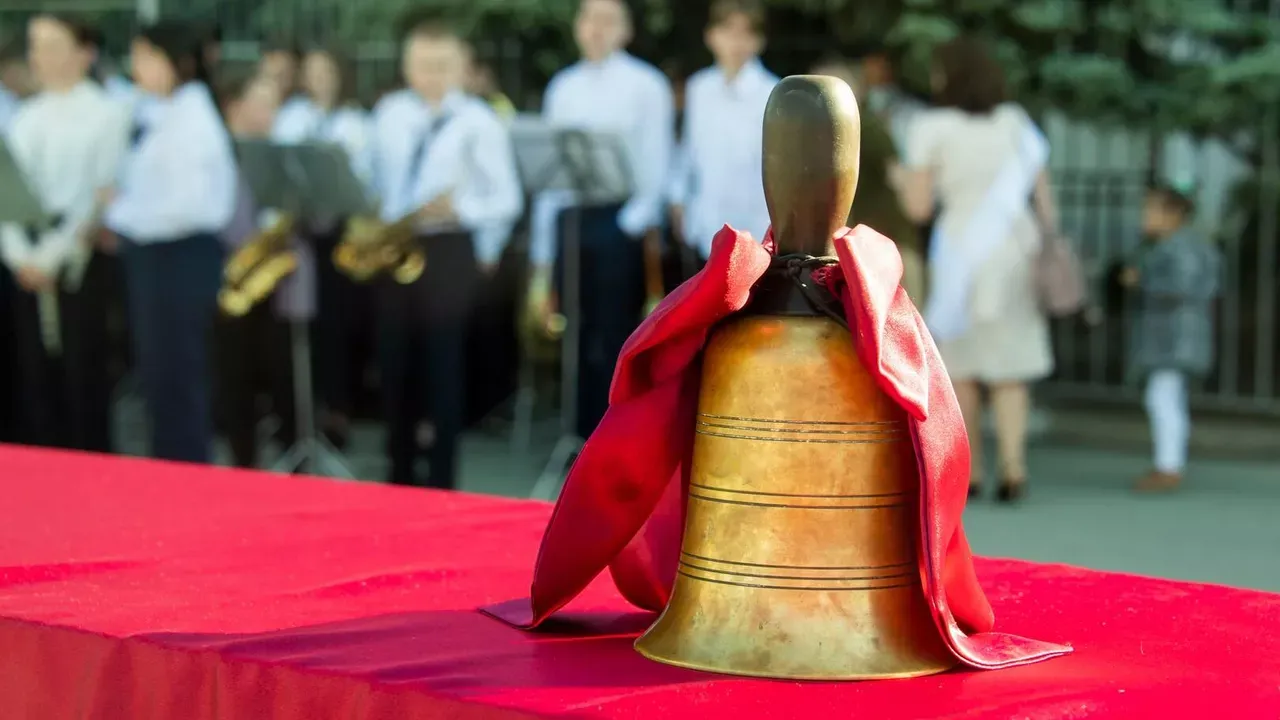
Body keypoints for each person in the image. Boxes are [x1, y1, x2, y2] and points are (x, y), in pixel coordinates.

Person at [895, 36, 1061, 503]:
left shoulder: (930, 126)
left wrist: (899, 180)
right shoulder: (1014, 121)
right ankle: (1014, 466)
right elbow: (1045, 199)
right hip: (1016, 247)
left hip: (960, 250)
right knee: (1011, 367)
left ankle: (971, 473)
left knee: (962, 367)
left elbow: (919, 207)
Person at [368, 19, 522, 488]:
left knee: (443, 365)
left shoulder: (479, 121)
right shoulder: (389, 113)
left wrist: (461, 209)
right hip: (396, 245)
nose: (431, 75)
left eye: (441, 65)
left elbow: (507, 199)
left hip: (449, 246)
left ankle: (440, 479)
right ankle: (398, 472)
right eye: (422, 64)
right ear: (407, 66)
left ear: (460, 67)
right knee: (394, 361)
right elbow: (373, 180)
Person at [530, 0, 675, 439]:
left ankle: (612, 440)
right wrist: (543, 253)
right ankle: (577, 439)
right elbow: (551, 174)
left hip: (621, 219)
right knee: (575, 332)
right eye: (589, 19)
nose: (596, 29)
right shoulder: (563, 86)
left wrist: (627, 226)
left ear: (625, 30)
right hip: (572, 219)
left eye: (608, 20)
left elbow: (656, 162)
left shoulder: (646, 85)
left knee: (614, 335)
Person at [105, 21, 237, 464]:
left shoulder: (192, 117)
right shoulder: (157, 110)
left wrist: (118, 212)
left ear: (177, 62)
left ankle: (186, 471)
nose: (136, 67)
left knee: (179, 375)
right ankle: (168, 467)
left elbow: (187, 206)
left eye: (146, 57)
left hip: (179, 257)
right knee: (159, 376)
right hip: (153, 256)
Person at [0, 13, 130, 453]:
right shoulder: (24, 116)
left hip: (78, 262)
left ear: (84, 53)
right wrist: (20, 257)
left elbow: (96, 198)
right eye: (35, 46)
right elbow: (8, 193)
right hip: (26, 262)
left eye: (53, 45)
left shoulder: (107, 113)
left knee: (83, 384)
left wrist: (53, 258)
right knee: (35, 386)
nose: (41, 57)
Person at [272, 44, 374, 448]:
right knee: (299, 327)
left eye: (326, 72)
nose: (318, 80)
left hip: (339, 234)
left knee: (336, 325)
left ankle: (337, 411)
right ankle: (298, 414)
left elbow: (364, 180)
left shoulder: (355, 121)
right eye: (311, 72)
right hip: (299, 233)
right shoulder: (293, 116)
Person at [213, 69, 310, 468]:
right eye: (263, 103)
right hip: (233, 281)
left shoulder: (285, 157)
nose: (272, 113)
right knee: (236, 383)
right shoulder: (215, 153)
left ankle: (294, 465)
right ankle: (243, 466)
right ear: (235, 107)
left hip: (282, 287)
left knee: (287, 381)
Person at [1122, 185, 1221, 493]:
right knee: (1167, 397)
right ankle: (1169, 461)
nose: (1145, 217)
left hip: (1174, 338)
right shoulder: (1172, 245)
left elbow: (1182, 287)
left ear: (1174, 214)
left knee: (1162, 397)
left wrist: (1141, 281)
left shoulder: (1179, 247)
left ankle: (1168, 465)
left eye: (1151, 210)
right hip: (1173, 337)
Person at [668, 0, 776, 265]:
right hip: (705, 228)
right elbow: (689, 150)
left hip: (755, 232)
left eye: (745, 33)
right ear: (711, 35)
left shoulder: (772, 92)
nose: (735, 42)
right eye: (728, 31)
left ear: (759, 40)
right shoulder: (699, 88)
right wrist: (678, 198)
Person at [811, 55, 923, 301]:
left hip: (885, 248)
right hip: (864, 249)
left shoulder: (867, 127)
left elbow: (897, 176)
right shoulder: (830, 130)